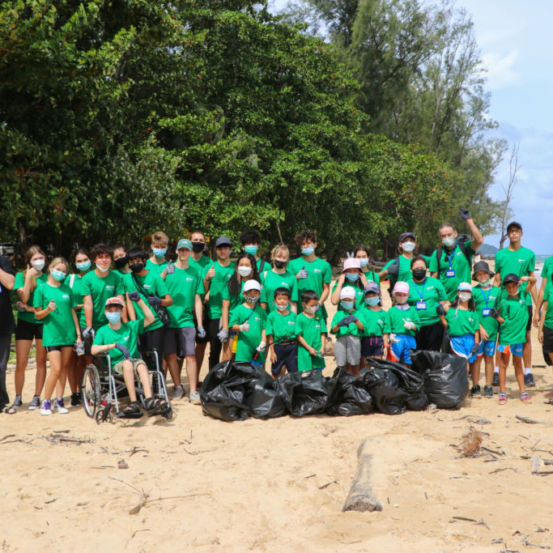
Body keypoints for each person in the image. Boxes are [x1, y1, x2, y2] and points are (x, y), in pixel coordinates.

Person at [91, 297, 168, 418]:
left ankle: (149, 400)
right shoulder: (102, 331)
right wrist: (114, 345)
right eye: (110, 310)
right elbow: (93, 349)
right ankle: (133, 403)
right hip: (117, 364)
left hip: (134, 360)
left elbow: (151, 318)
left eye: (117, 310)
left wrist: (139, 301)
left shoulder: (131, 326)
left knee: (142, 365)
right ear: (106, 313)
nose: (113, 313)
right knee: (127, 364)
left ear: (122, 312)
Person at [33, 257, 82, 415]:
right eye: (58, 269)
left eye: (63, 271)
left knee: (64, 368)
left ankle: (59, 400)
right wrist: (48, 310)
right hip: (52, 334)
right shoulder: (41, 288)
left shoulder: (68, 289)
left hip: (68, 334)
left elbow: (72, 311)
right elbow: (38, 315)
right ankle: (46, 401)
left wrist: (78, 333)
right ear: (50, 268)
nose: (60, 273)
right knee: (56, 368)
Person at [494, 221, 537, 387]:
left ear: (521, 234)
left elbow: (532, 279)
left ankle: (528, 373)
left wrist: (537, 306)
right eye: (511, 231)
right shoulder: (500, 255)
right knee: (501, 337)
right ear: (507, 235)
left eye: (516, 231)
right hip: (504, 302)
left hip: (523, 302)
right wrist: (491, 297)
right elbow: (497, 278)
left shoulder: (529, 254)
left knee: (525, 337)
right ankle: (498, 371)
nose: (514, 234)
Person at [163, 239, 204, 404]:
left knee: (190, 355)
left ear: (190, 251)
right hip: (168, 319)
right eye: (181, 250)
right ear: (177, 251)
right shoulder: (168, 270)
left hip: (187, 319)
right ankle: (178, 386)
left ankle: (193, 391)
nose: (184, 253)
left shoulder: (196, 272)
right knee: (171, 356)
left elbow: (197, 299)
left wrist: (200, 324)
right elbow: (154, 287)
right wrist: (164, 273)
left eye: (187, 250)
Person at [8, 245, 48, 413]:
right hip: (24, 323)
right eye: (35, 259)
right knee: (21, 363)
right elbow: (23, 297)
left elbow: (46, 304)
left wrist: (31, 309)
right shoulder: (20, 276)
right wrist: (28, 278)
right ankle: (18, 397)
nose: (39, 261)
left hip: (42, 322)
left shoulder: (48, 278)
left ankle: (37, 396)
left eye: (41, 258)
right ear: (29, 262)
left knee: (40, 361)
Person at [125, 247, 173, 360]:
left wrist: (159, 301)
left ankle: (158, 378)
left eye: (138, 260)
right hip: (141, 324)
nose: (135, 263)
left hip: (156, 324)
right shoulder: (127, 279)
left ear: (144, 261)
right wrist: (133, 322)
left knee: (156, 359)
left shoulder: (155, 277)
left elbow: (170, 301)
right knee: (144, 360)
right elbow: (129, 301)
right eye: (132, 261)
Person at [429, 210, 483, 302]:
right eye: (443, 236)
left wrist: (469, 221)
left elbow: (479, 240)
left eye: (449, 234)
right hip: (444, 301)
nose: (446, 238)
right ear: (440, 238)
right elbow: (433, 278)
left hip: (464, 299)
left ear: (455, 234)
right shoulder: (437, 253)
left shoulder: (465, 248)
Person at [493, 273, 530, 404]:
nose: (511, 289)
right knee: (503, 365)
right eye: (508, 287)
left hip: (518, 340)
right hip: (506, 339)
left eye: (513, 286)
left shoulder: (523, 297)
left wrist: (528, 279)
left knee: (518, 364)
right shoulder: (504, 302)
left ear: (518, 285)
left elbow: (533, 281)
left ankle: (522, 391)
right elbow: (503, 321)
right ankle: (503, 392)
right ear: (505, 288)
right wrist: (496, 316)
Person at [81, 243, 126, 349]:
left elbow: (121, 301)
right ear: (94, 260)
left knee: (109, 354)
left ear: (111, 260)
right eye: (100, 257)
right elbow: (88, 303)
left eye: (107, 257)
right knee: (90, 357)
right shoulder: (87, 278)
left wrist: (126, 323)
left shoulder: (117, 278)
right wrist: (89, 327)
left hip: (110, 322)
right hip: (90, 323)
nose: (104, 260)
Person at [202, 236, 235, 369]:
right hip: (214, 313)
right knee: (214, 351)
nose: (223, 251)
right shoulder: (209, 267)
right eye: (220, 248)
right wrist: (207, 278)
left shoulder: (235, 268)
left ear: (230, 250)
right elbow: (203, 292)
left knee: (231, 350)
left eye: (226, 248)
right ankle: (213, 382)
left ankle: (228, 381)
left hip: (232, 313)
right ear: (216, 250)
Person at [64, 247, 92, 406]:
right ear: (74, 263)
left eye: (85, 260)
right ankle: (74, 392)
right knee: (72, 360)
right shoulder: (71, 279)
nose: (82, 263)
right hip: (72, 324)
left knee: (87, 360)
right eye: (79, 261)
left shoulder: (95, 277)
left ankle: (86, 389)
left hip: (89, 323)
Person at [437, 283, 480, 385]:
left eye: (468, 292)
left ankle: (467, 386)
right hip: (456, 341)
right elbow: (447, 326)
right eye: (463, 291)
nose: (465, 294)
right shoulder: (452, 311)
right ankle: (463, 386)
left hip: (469, 340)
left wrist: (476, 344)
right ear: (458, 293)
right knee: (463, 364)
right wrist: (441, 316)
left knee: (470, 364)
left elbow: (476, 330)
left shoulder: (472, 312)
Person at [221, 253, 260, 361]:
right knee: (228, 358)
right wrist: (225, 329)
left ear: (252, 267)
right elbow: (225, 307)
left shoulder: (257, 284)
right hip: (233, 326)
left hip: (250, 327)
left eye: (247, 265)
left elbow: (262, 306)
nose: (244, 267)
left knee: (249, 358)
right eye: (241, 264)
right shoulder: (231, 284)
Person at [471, 261, 501, 398]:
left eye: (484, 273)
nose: (482, 276)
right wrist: (480, 328)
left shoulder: (497, 291)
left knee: (489, 358)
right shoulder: (474, 291)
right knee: (477, 359)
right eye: (479, 274)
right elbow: (472, 312)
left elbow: (500, 310)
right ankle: (476, 386)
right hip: (478, 332)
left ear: (489, 274)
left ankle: (488, 385)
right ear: (476, 277)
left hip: (493, 331)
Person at [407, 256, 449, 351]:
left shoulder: (435, 283)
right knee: (415, 358)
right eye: (417, 268)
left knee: (432, 357)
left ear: (426, 269)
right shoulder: (406, 285)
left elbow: (445, 302)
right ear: (411, 269)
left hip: (434, 326)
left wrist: (452, 319)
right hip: (414, 327)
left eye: (422, 268)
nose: (419, 270)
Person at [288, 230, 332, 320]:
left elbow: (326, 288)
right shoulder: (292, 264)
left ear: (315, 244)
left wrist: (319, 303)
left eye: (308, 243)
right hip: (299, 311)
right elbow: (287, 285)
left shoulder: (325, 265)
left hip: (318, 312)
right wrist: (296, 277)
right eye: (303, 244)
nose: (305, 246)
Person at [188, 231, 212, 369]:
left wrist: (204, 302)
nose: (198, 242)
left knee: (201, 344)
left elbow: (213, 286)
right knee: (184, 347)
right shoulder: (184, 261)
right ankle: (177, 382)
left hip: (204, 310)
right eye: (195, 239)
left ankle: (195, 378)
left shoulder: (209, 262)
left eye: (201, 240)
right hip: (186, 311)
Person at [229, 280, 267, 364]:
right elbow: (232, 325)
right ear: (244, 294)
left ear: (259, 294)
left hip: (258, 347)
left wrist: (263, 341)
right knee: (243, 370)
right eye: (249, 293)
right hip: (243, 347)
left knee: (257, 372)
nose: (253, 295)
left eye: (255, 293)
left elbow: (264, 328)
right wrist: (240, 327)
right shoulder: (238, 309)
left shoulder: (261, 311)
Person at [330, 286, 364, 377]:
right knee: (342, 366)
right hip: (341, 340)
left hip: (354, 339)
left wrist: (356, 321)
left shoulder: (358, 313)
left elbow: (362, 328)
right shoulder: (338, 314)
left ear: (354, 300)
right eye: (344, 300)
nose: (347, 302)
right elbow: (333, 330)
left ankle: (356, 385)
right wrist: (339, 324)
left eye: (349, 300)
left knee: (354, 365)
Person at [384, 281, 420, 366]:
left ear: (408, 295)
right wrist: (387, 340)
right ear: (394, 295)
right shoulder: (391, 311)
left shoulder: (412, 310)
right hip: (396, 339)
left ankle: (406, 379)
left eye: (404, 295)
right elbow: (386, 329)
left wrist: (412, 325)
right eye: (399, 295)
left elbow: (418, 326)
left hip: (409, 339)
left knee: (408, 364)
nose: (401, 297)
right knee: (393, 364)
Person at [266, 287, 297, 378]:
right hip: (278, 347)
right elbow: (270, 335)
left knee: (294, 373)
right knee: (276, 373)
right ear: (275, 300)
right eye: (279, 299)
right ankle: (276, 390)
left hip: (292, 347)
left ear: (288, 300)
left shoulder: (294, 316)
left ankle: (291, 391)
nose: (282, 301)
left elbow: (298, 334)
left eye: (285, 299)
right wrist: (272, 352)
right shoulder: (271, 316)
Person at [259, 244, 299, 313]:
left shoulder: (292, 278)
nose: (281, 260)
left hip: (286, 320)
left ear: (287, 260)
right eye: (279, 256)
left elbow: (293, 304)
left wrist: (293, 321)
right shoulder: (264, 276)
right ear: (272, 257)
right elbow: (261, 301)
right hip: (268, 319)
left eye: (284, 257)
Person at [295, 290, 327, 372]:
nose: (314, 307)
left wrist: (323, 347)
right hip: (305, 353)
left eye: (316, 305)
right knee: (306, 378)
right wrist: (309, 349)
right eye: (312, 305)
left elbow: (322, 333)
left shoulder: (319, 316)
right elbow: (299, 336)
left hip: (318, 352)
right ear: (304, 304)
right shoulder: (299, 318)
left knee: (318, 377)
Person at [0, 252, 15, 412]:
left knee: (1, 366)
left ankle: (1, 401)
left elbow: (10, 284)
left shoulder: (3, 262)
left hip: (2, 324)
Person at [358, 282, 387, 363]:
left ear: (379, 295)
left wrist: (385, 345)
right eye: (368, 295)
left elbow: (385, 331)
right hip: (365, 340)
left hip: (379, 340)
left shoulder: (384, 313)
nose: (371, 297)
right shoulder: (362, 312)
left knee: (378, 364)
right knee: (365, 364)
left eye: (373, 295)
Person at [538, 275, 553, 389]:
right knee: (550, 358)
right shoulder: (549, 286)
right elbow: (545, 310)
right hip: (548, 327)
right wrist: (540, 330)